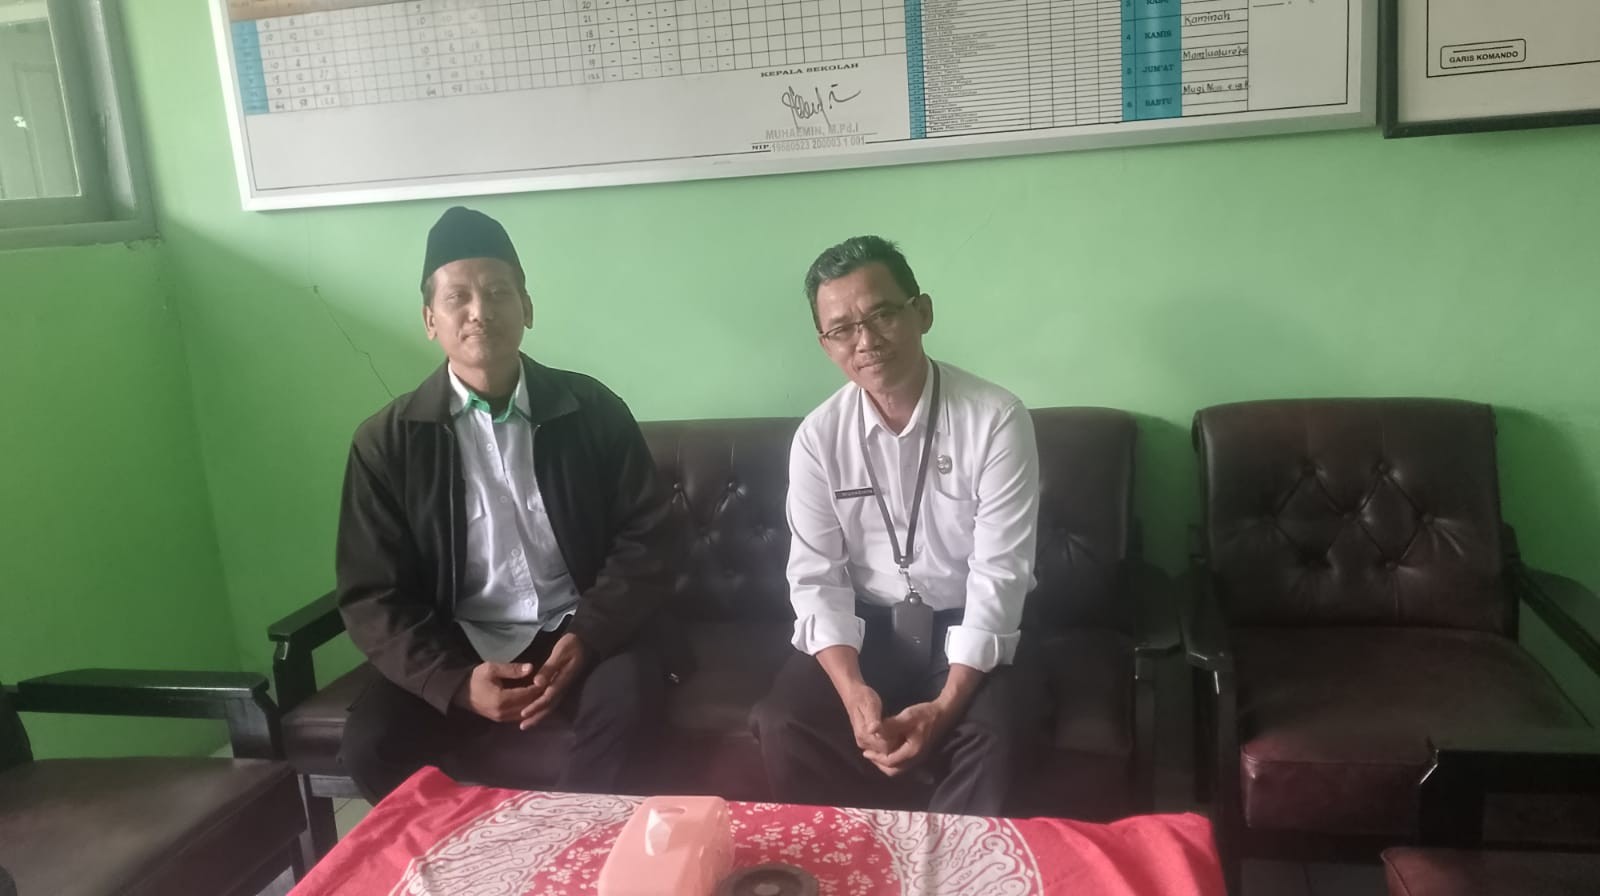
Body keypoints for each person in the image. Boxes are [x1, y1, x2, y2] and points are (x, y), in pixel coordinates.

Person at [336, 206, 676, 801]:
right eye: (458, 298)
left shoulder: (592, 410)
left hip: (581, 627)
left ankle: (573, 843)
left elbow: (649, 537)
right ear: (430, 320)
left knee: (629, 704)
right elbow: (372, 595)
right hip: (459, 641)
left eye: (498, 292)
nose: (480, 311)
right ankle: (470, 849)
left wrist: (590, 635)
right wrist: (453, 682)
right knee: (371, 742)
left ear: (527, 308)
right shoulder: (387, 443)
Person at [752, 235, 1046, 815]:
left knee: (995, 735)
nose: (865, 341)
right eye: (842, 329)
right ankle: (857, 855)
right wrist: (852, 690)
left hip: (966, 622)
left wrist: (945, 706)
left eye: (882, 314)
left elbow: (1000, 575)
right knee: (783, 722)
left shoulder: (996, 419)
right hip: (869, 627)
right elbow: (816, 577)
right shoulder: (818, 438)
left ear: (922, 312)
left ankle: (951, 862)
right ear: (825, 345)